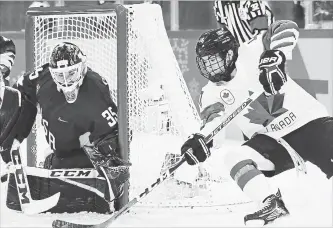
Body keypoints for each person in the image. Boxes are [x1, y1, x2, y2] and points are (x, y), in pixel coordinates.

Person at [180, 26, 333, 226]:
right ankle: (271, 203)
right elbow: (214, 124)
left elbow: (287, 27)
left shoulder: (253, 51)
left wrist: (275, 57)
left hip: (311, 124)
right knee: (234, 156)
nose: (209, 67)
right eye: (205, 61)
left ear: (228, 54)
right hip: (273, 144)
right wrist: (202, 140)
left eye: (213, 59)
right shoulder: (210, 94)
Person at [1, 42, 130, 214]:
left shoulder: (96, 88)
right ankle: (51, 161)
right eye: (60, 76)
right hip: (60, 152)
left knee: (96, 173)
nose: (66, 81)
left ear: (82, 68)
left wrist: (110, 161)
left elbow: (114, 131)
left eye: (71, 73)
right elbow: (21, 89)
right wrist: (13, 133)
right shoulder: (43, 76)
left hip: (84, 153)